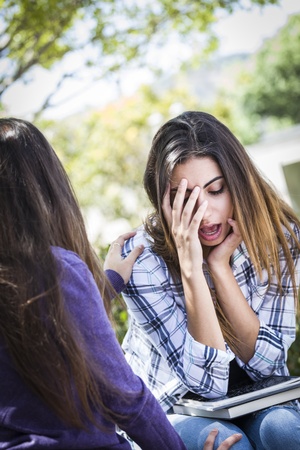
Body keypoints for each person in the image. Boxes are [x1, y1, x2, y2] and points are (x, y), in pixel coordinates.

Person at [0, 117, 243, 450]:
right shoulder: (57, 270)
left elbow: (46, 327)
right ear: (45, 186)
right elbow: (125, 397)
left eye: (215, 190)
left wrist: (108, 282)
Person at [120, 111, 300, 450]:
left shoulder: (278, 239)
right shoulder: (142, 261)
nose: (203, 213)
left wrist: (220, 268)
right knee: (227, 445)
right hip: (177, 404)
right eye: (184, 198)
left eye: (216, 190)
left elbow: (267, 365)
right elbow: (208, 384)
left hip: (258, 397)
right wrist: (191, 268)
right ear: (162, 201)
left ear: (239, 184)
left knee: (285, 431)